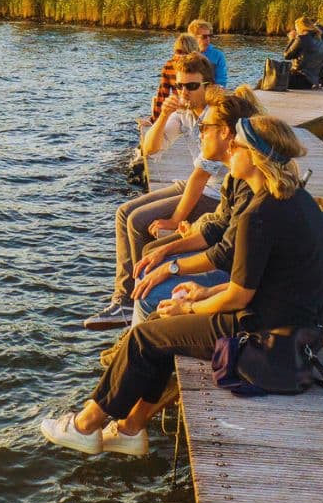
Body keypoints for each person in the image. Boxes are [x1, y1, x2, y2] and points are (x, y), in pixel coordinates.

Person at [41, 116, 323, 457]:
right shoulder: (295, 200)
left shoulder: (260, 213)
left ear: (254, 157)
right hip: (298, 332)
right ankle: (129, 429)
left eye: (236, 145)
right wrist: (203, 292)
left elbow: (239, 295)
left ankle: (85, 426)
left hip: (268, 342)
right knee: (163, 331)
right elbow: (263, 282)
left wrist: (189, 307)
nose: (230, 149)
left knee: (146, 336)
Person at [84, 52, 224, 330]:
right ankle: (124, 299)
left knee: (138, 221)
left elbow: (200, 178)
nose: (184, 92)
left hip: (217, 193)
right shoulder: (184, 113)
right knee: (124, 212)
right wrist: (163, 115)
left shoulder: (215, 116)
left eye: (191, 86)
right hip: (198, 183)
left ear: (207, 86)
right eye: (180, 86)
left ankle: (134, 299)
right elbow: (150, 149)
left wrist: (174, 221)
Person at [129, 85, 264, 318]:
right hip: (234, 271)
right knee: (151, 260)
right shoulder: (234, 177)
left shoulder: (252, 186)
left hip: (241, 286)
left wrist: (171, 268)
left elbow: (226, 254)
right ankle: (142, 338)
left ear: (224, 132)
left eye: (204, 128)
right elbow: (216, 228)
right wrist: (165, 252)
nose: (200, 134)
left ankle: (144, 337)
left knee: (148, 294)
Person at [149, 33, 200, 122]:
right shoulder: (169, 65)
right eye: (179, 52)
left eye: (185, 52)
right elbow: (162, 94)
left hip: (189, 109)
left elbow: (162, 94)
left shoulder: (201, 66)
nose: (182, 55)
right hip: (185, 109)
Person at [283, 17, 323, 90]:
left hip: (299, 79)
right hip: (310, 82)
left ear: (300, 28)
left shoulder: (301, 38)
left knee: (271, 77)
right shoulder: (321, 42)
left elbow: (287, 55)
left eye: (296, 28)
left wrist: (292, 39)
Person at [189, 19, 228, 86]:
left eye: (209, 36)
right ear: (193, 38)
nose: (208, 39)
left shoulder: (218, 55)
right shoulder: (187, 54)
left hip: (211, 92)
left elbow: (221, 82)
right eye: (204, 36)